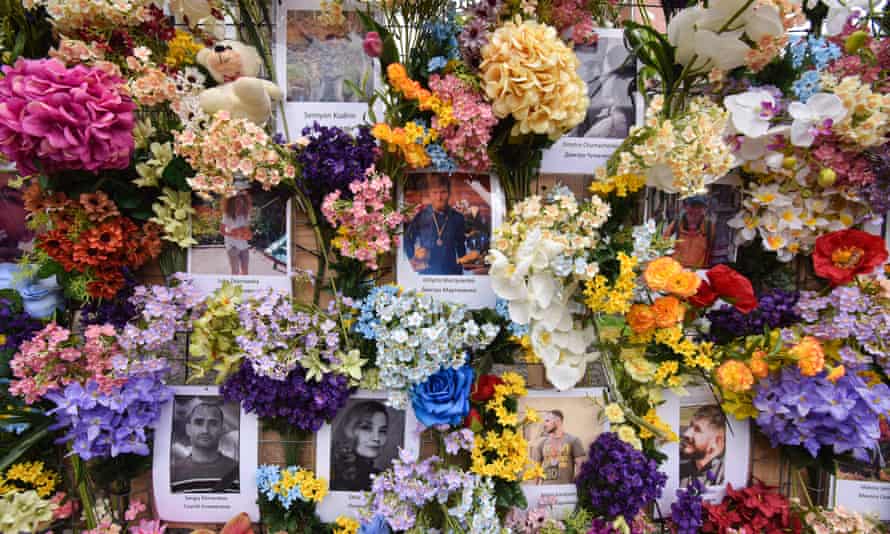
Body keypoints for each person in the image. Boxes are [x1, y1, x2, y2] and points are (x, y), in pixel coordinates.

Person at [404, 174, 477, 275]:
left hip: (452, 271)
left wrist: (464, 262)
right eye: (435, 193)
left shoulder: (458, 217)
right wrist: (413, 259)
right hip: (427, 272)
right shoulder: (421, 216)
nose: (439, 197)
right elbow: (407, 239)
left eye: (443, 192)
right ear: (429, 194)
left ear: (449, 193)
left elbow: (461, 244)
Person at [171, 402, 239, 493]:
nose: (205, 430)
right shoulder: (172, 473)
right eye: (199, 423)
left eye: (213, 423)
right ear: (188, 429)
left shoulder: (239, 471)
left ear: (222, 430)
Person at [331, 401, 390, 491]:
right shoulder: (332, 474)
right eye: (366, 428)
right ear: (349, 430)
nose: (376, 438)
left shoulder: (381, 477)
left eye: (382, 431)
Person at [530, 410, 586, 485]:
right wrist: (534, 491)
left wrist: (573, 489)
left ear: (558, 421)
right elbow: (535, 472)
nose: (544, 424)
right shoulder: (542, 443)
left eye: (547, 421)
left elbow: (581, 468)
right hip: (546, 492)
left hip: (565, 491)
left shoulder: (573, 440)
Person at [679, 405, 726, 488]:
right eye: (690, 426)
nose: (686, 433)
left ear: (716, 441)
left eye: (697, 429)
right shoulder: (679, 471)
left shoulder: (725, 474)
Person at [663, 196, 715, 269]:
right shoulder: (675, 225)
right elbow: (664, 248)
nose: (696, 210)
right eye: (693, 206)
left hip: (699, 272)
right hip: (676, 271)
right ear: (685, 207)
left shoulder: (710, 227)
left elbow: (713, 251)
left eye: (700, 207)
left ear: (704, 209)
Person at [220, 186, 252, 275]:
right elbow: (222, 231)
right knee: (235, 272)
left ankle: (245, 287)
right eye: (237, 201)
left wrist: (247, 235)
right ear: (232, 202)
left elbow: (247, 231)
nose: (239, 203)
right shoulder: (227, 215)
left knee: (245, 271)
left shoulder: (246, 215)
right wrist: (233, 234)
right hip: (232, 246)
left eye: (241, 201)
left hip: (244, 246)